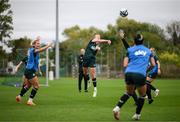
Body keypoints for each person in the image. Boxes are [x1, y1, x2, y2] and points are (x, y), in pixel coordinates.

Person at [113, 33, 155, 120]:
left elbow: (125, 64)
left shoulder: (130, 50)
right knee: (142, 96)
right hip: (140, 74)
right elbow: (153, 64)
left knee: (128, 93)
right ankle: (137, 115)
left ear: (134, 41)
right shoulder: (148, 51)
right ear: (143, 41)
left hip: (129, 73)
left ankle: (117, 108)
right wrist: (145, 70)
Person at [16, 37, 52, 106]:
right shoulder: (34, 50)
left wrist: (37, 39)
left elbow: (36, 61)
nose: (39, 44)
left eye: (39, 43)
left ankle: (19, 96)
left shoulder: (32, 50)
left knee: (28, 85)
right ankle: (30, 101)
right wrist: (48, 46)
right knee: (36, 86)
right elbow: (42, 49)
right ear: (34, 45)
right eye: (37, 43)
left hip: (29, 70)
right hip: (29, 71)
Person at [119, 29, 138, 105]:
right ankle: (138, 101)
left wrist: (123, 38)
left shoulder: (134, 51)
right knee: (132, 89)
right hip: (138, 72)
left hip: (134, 72)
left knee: (131, 90)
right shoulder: (142, 51)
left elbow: (127, 47)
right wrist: (122, 38)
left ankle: (139, 101)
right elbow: (127, 46)